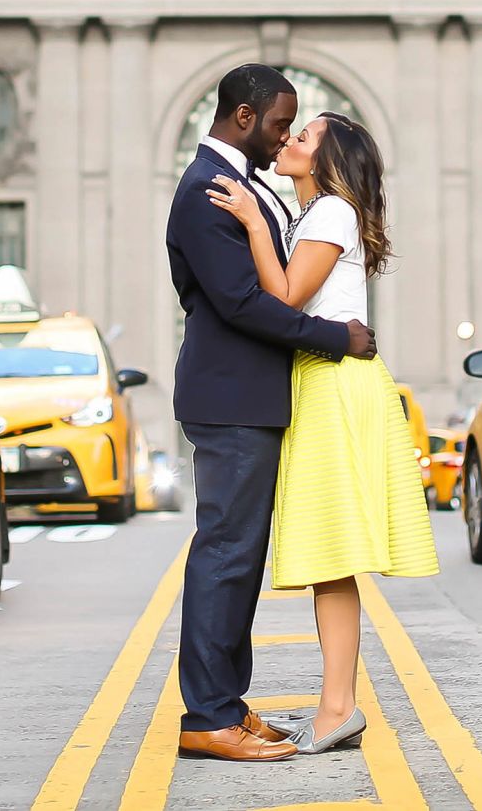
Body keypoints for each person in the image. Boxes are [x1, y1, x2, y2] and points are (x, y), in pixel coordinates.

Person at [209, 110, 438, 754]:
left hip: (335, 383)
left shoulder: (331, 212)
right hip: (325, 381)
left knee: (334, 558)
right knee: (330, 561)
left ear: (328, 161)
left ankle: (338, 707)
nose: (288, 140)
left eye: (303, 137)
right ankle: (338, 705)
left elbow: (282, 297)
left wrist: (252, 220)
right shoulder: (317, 215)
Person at [167, 65, 377, 763]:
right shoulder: (205, 191)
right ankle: (206, 717)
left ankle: (226, 704)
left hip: (255, 399)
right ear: (248, 117)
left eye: (299, 129)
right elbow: (246, 304)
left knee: (238, 560)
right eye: (284, 124)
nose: (288, 135)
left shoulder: (245, 188)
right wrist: (337, 336)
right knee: (225, 557)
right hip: (231, 399)